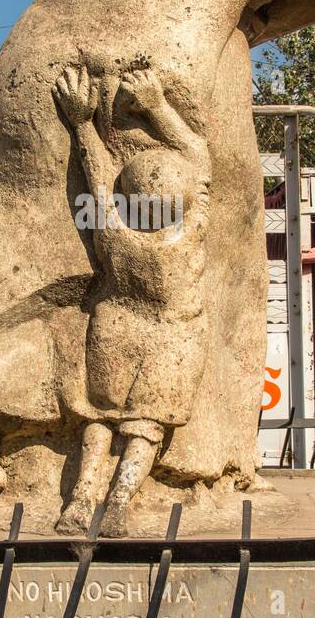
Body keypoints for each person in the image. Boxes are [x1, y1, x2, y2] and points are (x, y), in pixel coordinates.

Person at [53, 63, 210, 537]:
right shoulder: (190, 232)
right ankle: (118, 504)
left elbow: (97, 173)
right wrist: (157, 105)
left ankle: (79, 500)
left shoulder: (114, 232)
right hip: (173, 335)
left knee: (102, 416)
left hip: (114, 327)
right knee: (146, 423)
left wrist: (81, 122)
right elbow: (198, 153)